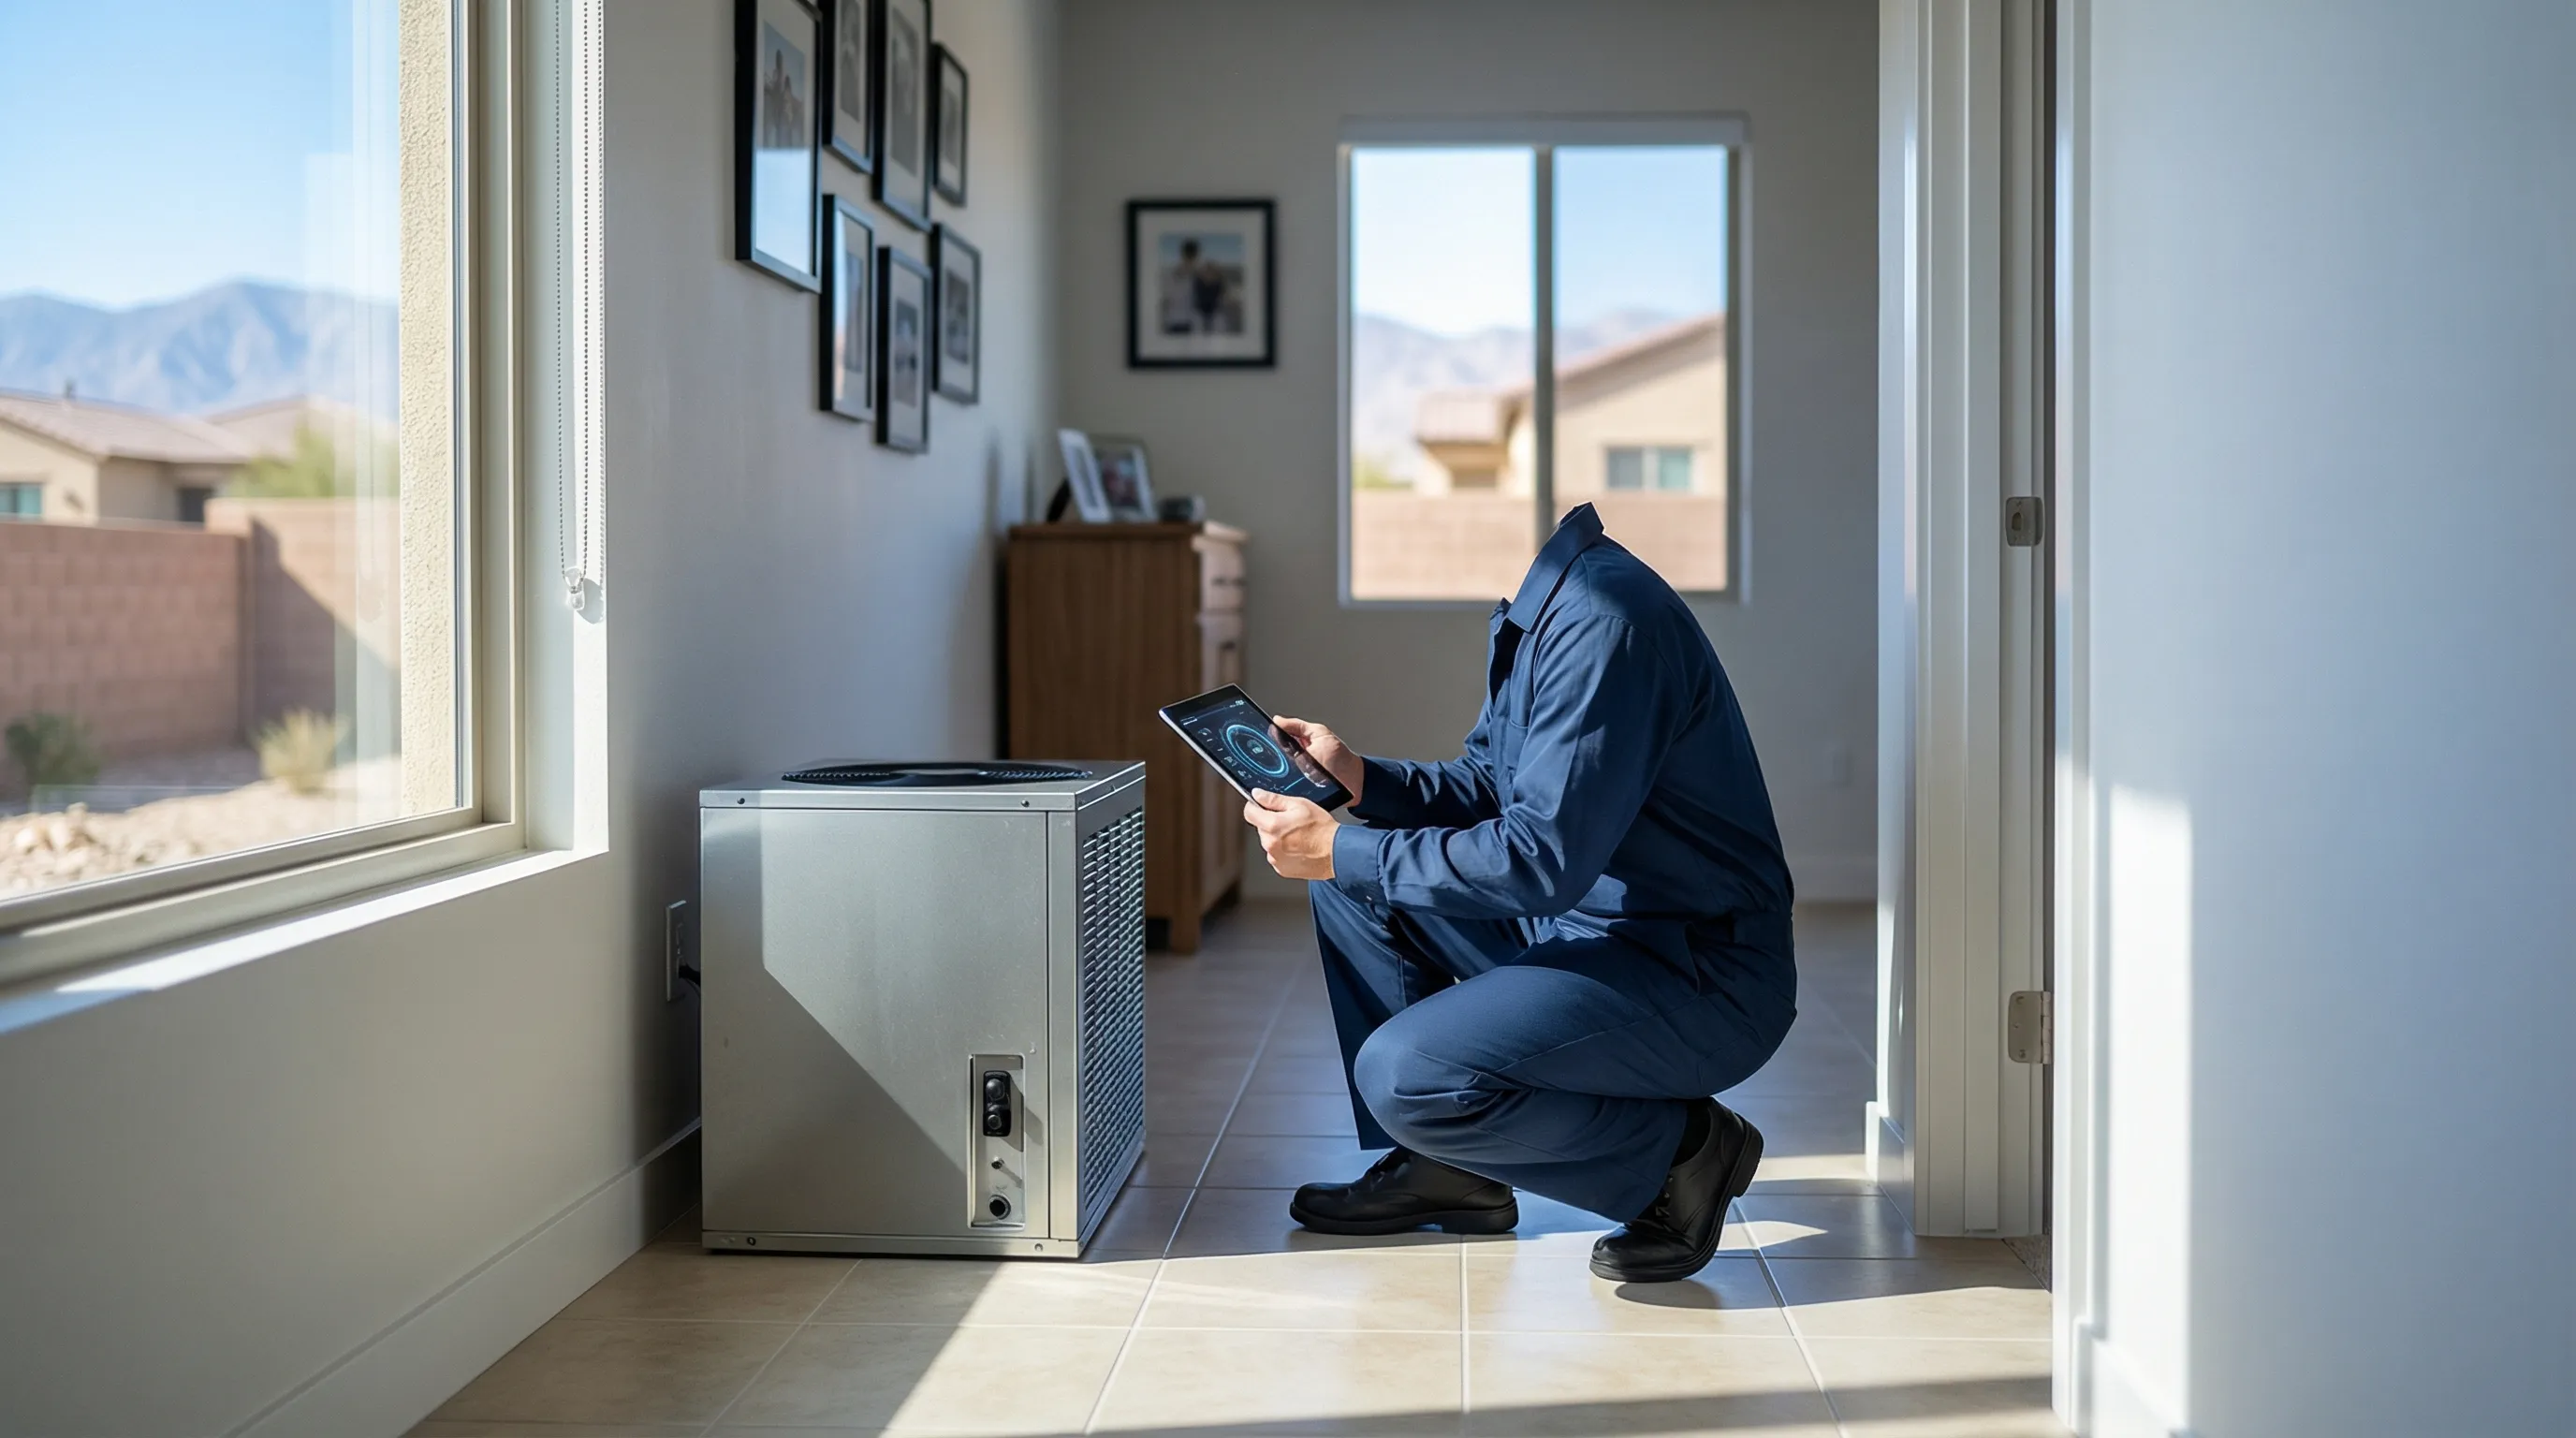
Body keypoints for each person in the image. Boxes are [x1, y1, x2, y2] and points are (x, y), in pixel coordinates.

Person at [1240, 503, 1796, 1283]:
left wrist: (1341, 849)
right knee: (1357, 886)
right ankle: (1449, 1170)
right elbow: (1492, 787)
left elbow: (1539, 860)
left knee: (1407, 1071)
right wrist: (1360, 780)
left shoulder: (1603, 624)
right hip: (1594, 929)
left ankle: (1684, 1152)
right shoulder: (1551, 609)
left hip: (1700, 972)